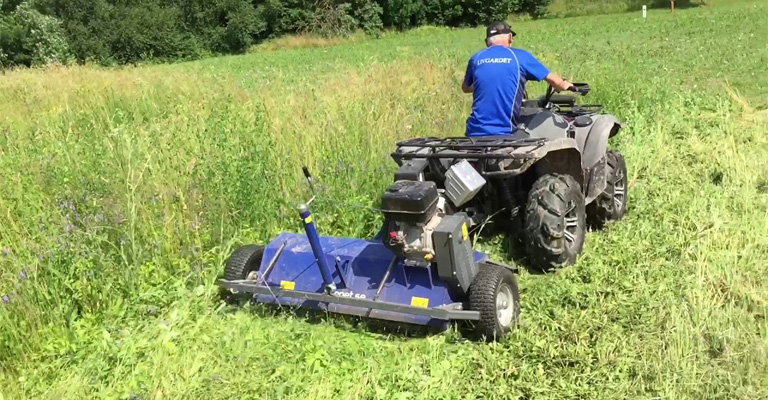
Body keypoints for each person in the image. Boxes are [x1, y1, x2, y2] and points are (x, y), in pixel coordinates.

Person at [462, 21, 576, 137]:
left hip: (473, 132)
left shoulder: (476, 58)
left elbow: (466, 88)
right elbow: (557, 83)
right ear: (510, 38)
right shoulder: (520, 56)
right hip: (505, 132)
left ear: (487, 42)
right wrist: (566, 84)